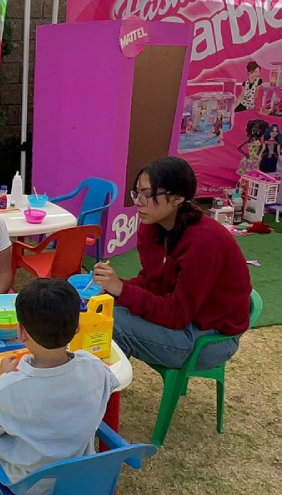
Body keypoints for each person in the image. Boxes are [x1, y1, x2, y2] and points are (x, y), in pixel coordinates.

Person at [0, 277, 118, 495]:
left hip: (28, 488)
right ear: (77, 327)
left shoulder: (11, 387)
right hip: (79, 484)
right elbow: (111, 383)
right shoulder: (95, 367)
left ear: (21, 333)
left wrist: (3, 377)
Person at [92, 157, 251, 370]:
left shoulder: (204, 241)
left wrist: (121, 289)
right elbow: (153, 283)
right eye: (136, 193)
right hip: (186, 320)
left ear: (177, 198)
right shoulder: (152, 226)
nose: (138, 201)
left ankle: (103, 386)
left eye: (148, 194)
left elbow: (177, 314)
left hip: (210, 337)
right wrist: (111, 289)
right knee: (99, 308)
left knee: (112, 322)